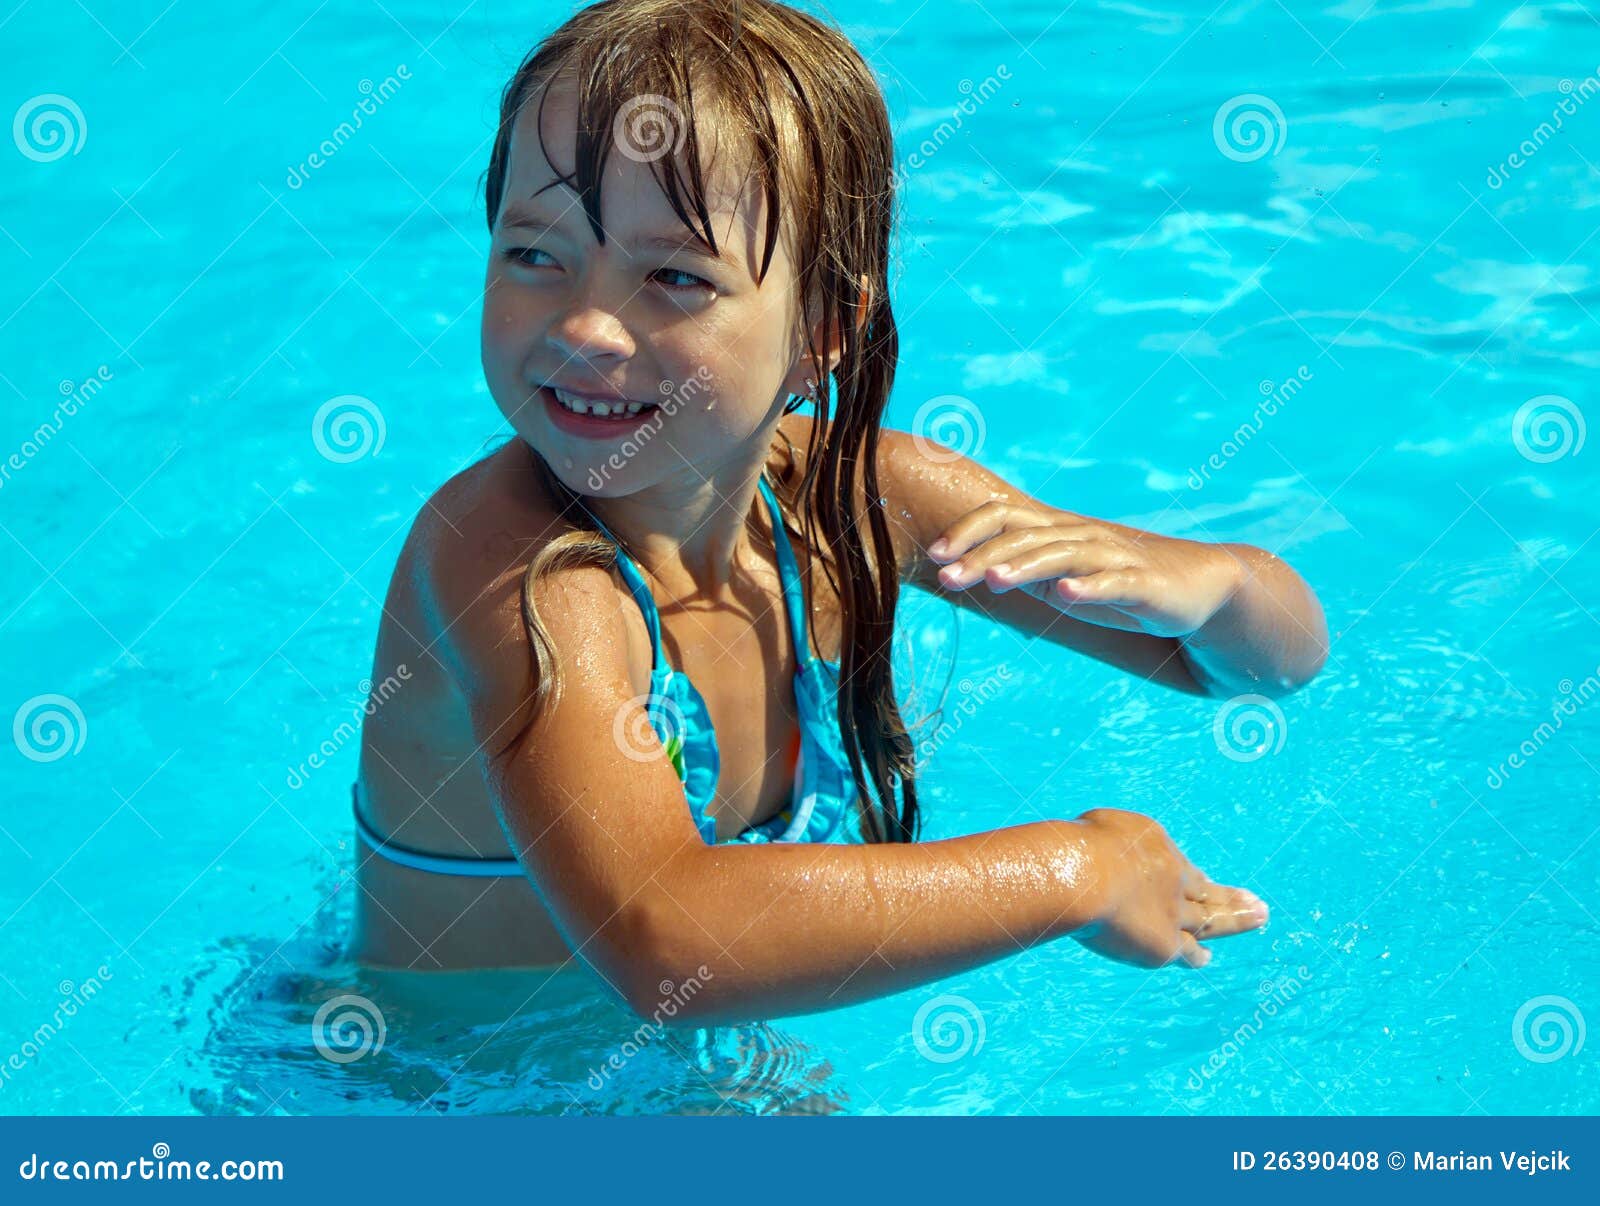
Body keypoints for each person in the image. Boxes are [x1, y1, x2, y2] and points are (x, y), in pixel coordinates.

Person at [350, 0, 1327, 1024]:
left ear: (821, 330)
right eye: (534, 255)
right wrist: (1075, 872)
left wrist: (1216, 587)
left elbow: (1262, 669)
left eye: (674, 276)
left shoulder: (851, 504)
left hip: (690, 1073)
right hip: (430, 1084)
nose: (588, 325)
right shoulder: (511, 571)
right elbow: (662, 941)